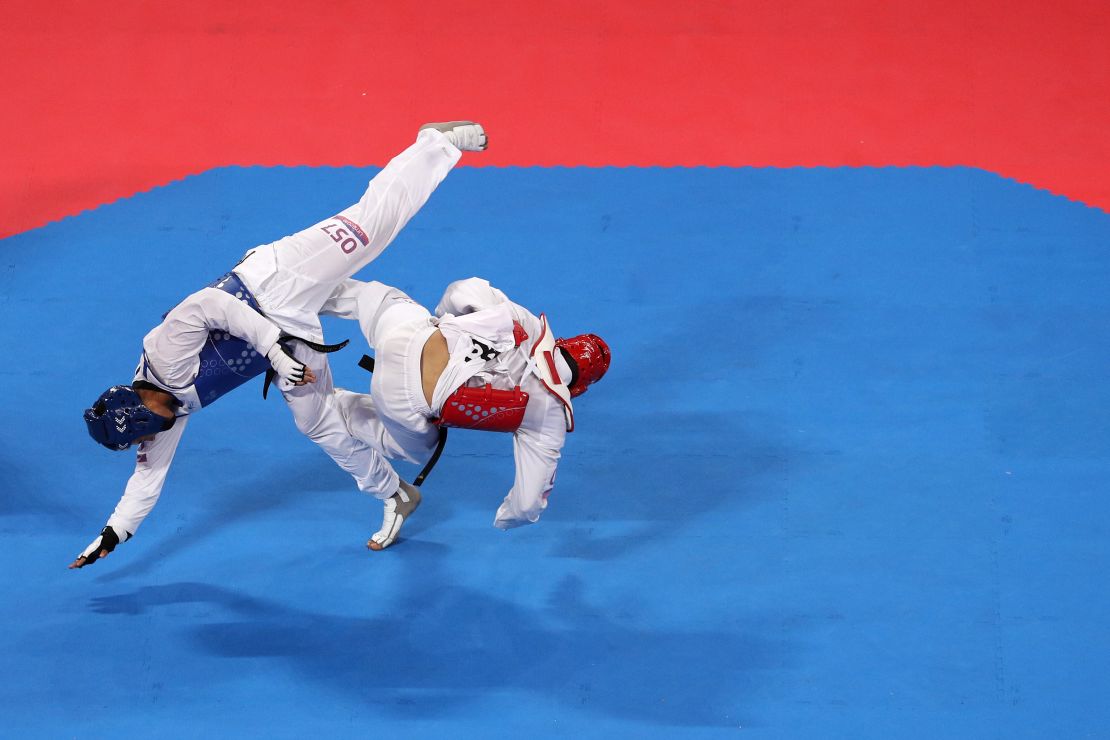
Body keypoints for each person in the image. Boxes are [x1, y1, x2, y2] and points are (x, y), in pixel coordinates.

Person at [71, 121, 488, 569]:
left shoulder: (163, 354)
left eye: (145, 431)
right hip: (288, 338)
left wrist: (271, 352)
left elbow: (213, 304)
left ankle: (436, 144)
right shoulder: (163, 416)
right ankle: (395, 492)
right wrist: (112, 535)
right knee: (319, 422)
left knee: (371, 228)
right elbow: (146, 480)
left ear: (140, 411)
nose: (151, 439)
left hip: (276, 279)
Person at [323, 276, 610, 550]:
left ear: (565, 342)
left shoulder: (526, 321)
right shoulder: (550, 417)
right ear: (581, 386)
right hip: (400, 396)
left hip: (409, 334)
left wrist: (445, 318)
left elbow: (462, 290)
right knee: (417, 447)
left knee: (377, 298)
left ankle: (292, 297)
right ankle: (336, 405)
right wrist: (507, 518)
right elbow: (527, 504)